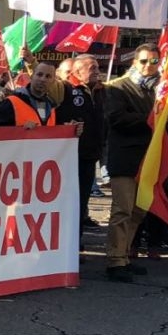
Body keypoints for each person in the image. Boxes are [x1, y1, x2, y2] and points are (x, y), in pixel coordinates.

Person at [102, 44, 168, 282]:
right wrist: (153, 118)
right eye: (144, 61)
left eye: (154, 61)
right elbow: (117, 119)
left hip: (150, 159)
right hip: (126, 158)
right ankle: (115, 260)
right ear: (134, 62)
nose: (149, 66)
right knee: (123, 209)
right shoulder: (116, 87)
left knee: (139, 210)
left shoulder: (163, 89)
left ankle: (124, 255)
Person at [61, 55, 106, 228]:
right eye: (92, 68)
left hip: (90, 156)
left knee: (81, 201)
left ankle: (76, 243)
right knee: (68, 202)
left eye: (97, 67)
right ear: (78, 72)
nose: (97, 71)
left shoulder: (102, 91)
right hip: (69, 156)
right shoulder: (65, 88)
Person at [0, 61, 59, 127]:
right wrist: (21, 131)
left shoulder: (52, 106)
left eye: (48, 76)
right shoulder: (11, 103)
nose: (43, 79)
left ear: (53, 81)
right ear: (32, 76)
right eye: (39, 75)